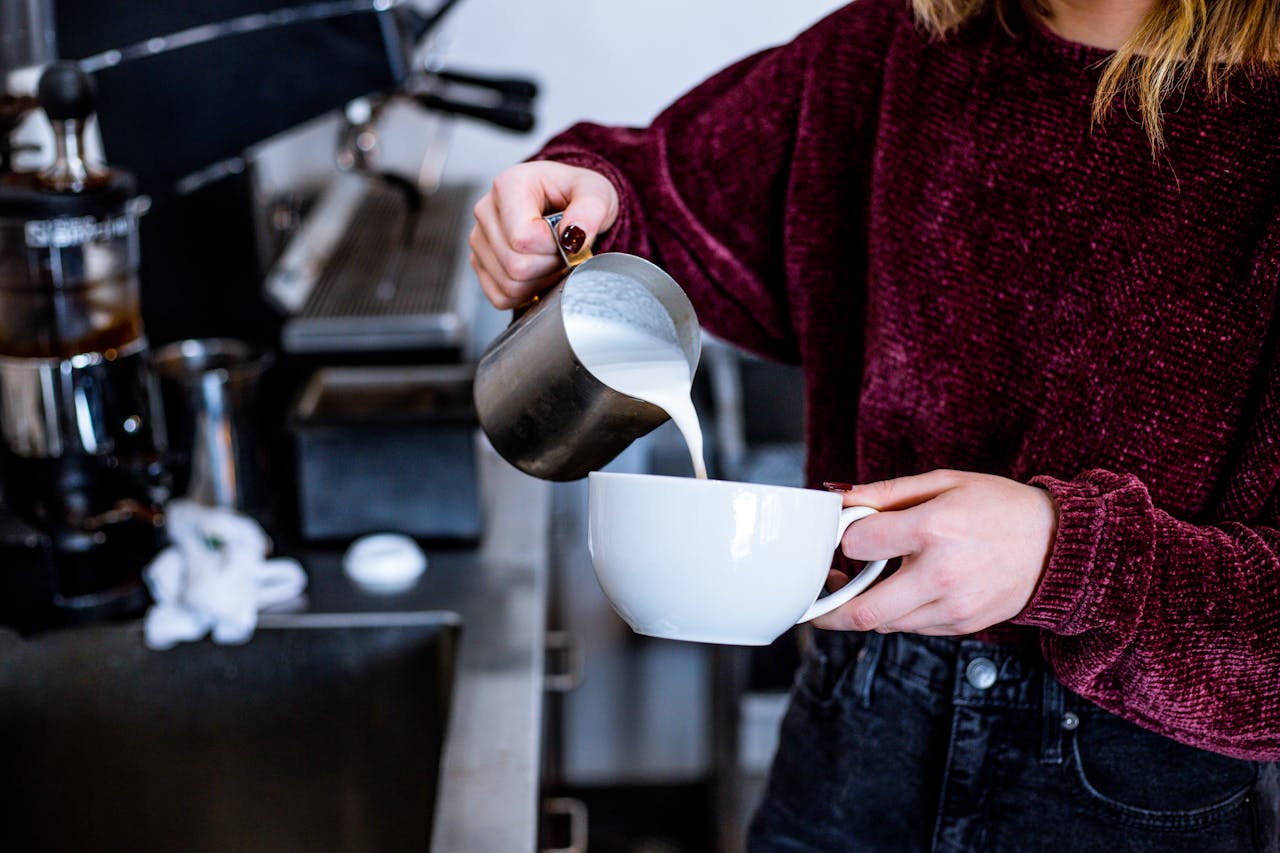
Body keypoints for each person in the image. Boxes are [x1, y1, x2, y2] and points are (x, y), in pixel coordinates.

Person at [469, 0, 1280, 849]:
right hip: (855, 729)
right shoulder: (897, 49)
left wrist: (1070, 559)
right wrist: (584, 203)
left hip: (1143, 786)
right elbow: (667, 202)